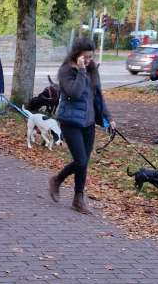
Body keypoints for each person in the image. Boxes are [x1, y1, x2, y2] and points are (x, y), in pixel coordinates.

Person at [49, 38, 115, 215]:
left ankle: (78, 199)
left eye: (90, 57)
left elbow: (98, 96)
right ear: (76, 55)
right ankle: (57, 179)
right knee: (80, 160)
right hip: (70, 121)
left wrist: (108, 118)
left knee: (84, 162)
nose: (88, 60)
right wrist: (81, 70)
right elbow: (75, 93)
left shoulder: (92, 69)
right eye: (85, 57)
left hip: (88, 121)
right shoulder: (66, 70)